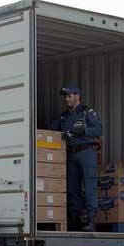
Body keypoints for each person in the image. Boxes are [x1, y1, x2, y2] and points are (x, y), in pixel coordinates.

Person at [48, 85, 103, 231]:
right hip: (71, 154)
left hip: (86, 152)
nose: (67, 99)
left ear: (77, 96)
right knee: (72, 188)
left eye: (69, 96)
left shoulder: (87, 112)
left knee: (89, 186)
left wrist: (83, 130)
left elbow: (99, 130)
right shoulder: (64, 117)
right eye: (66, 97)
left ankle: (91, 221)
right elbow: (50, 130)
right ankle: (75, 220)